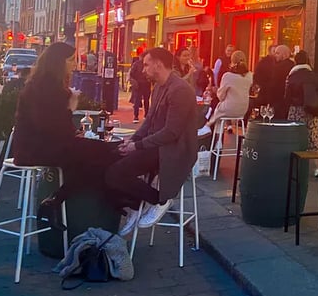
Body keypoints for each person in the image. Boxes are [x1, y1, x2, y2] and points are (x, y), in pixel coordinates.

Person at [12, 42, 121, 231]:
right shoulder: (43, 89)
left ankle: (56, 201)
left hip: (48, 145)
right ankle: (108, 201)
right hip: (35, 149)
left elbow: (60, 131)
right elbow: (51, 129)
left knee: (102, 152)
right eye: (71, 60)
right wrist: (71, 106)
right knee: (103, 153)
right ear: (58, 63)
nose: (74, 65)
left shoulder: (49, 86)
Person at [105, 47, 198, 235]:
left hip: (173, 150)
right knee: (109, 157)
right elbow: (149, 121)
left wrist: (137, 146)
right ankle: (135, 204)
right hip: (155, 144)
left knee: (116, 173)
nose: (143, 69)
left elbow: (171, 133)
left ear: (158, 64)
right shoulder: (160, 87)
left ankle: (159, 200)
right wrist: (133, 138)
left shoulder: (180, 89)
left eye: (147, 65)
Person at [285, 50, 318, 176]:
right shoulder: (313, 75)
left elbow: (287, 96)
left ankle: (295, 167)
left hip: (296, 110)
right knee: (312, 138)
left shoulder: (291, 76)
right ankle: (316, 168)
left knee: (294, 138)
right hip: (311, 111)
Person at [198, 50, 253, 137]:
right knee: (220, 115)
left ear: (232, 61)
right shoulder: (250, 75)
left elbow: (220, 96)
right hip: (243, 109)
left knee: (217, 106)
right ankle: (217, 143)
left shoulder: (228, 76)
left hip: (229, 108)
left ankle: (208, 126)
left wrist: (216, 91)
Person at [272, 44, 295, 120]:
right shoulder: (293, 65)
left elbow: (274, 84)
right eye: (275, 53)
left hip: (278, 98)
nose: (275, 55)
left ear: (284, 54)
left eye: (278, 53)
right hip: (287, 99)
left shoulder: (278, 67)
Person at [129, 52, 151, 123]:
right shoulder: (137, 64)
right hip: (139, 84)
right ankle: (137, 116)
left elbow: (131, 74)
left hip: (145, 84)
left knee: (144, 101)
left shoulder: (138, 64)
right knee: (138, 101)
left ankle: (143, 115)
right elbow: (131, 74)